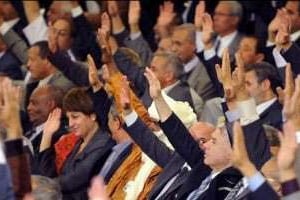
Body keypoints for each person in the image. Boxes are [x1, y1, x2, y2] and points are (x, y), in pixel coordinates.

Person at [38, 88, 115, 199]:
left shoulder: (103, 143)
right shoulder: (79, 142)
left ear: (92, 116)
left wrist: (41, 187)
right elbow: (50, 175)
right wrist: (47, 135)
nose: (70, 123)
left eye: (75, 117)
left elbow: (72, 181)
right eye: (68, 118)